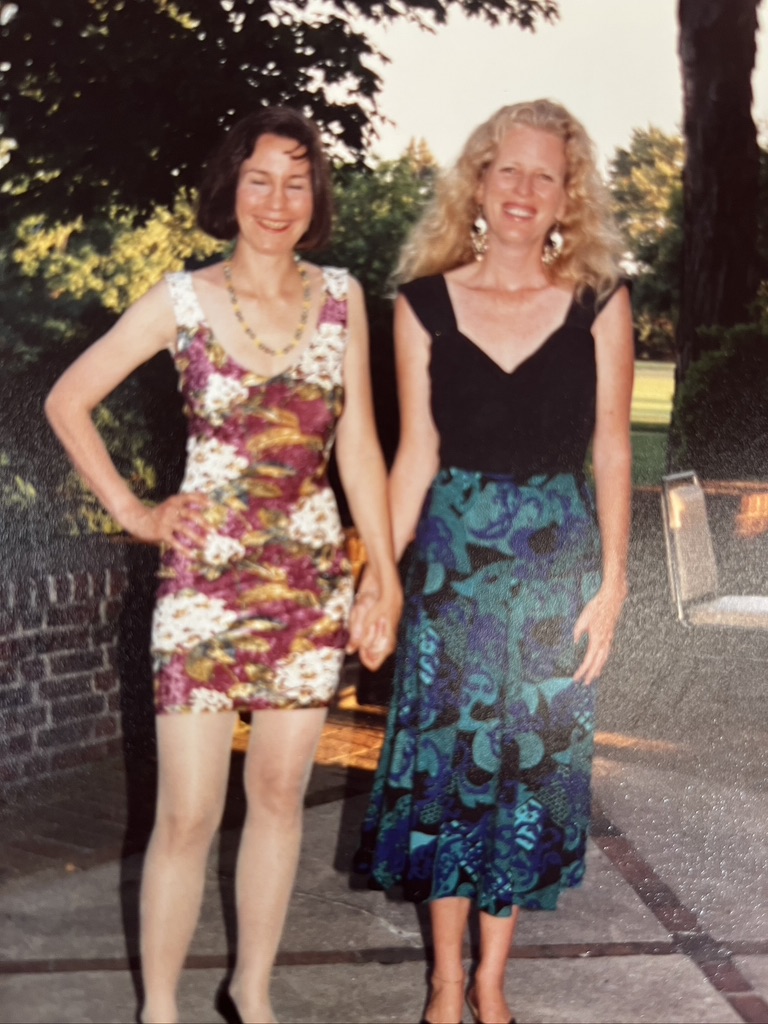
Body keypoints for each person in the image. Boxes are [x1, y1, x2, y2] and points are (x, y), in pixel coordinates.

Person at [45, 107, 402, 1024]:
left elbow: (359, 444)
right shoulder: (184, 300)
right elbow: (68, 399)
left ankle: (252, 990)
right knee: (189, 811)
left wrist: (382, 573)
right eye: (259, 180)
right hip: (203, 591)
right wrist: (135, 512)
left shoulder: (342, 298)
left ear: (316, 196)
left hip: (309, 582)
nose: (277, 202)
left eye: (296, 183)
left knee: (279, 795)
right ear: (230, 189)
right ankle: (160, 1009)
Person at [353, 99, 634, 1024]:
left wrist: (615, 582)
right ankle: (445, 982)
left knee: (527, 765)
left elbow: (612, 448)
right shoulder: (422, 305)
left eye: (545, 175)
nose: (523, 189)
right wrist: (378, 580)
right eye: (508, 168)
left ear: (568, 196)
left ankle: (491, 981)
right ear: (478, 182)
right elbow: (415, 456)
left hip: (557, 568)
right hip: (451, 568)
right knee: (444, 766)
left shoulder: (601, 301)